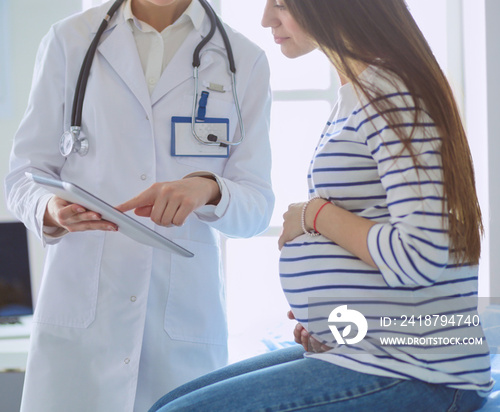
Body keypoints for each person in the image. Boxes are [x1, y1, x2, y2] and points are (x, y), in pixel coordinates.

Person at [148, 0, 494, 410]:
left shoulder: (393, 95)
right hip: (375, 350)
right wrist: (336, 325)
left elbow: (420, 255)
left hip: (420, 371)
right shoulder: (360, 93)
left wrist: (312, 215)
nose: (266, 19)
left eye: (280, 4)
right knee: (168, 403)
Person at [4, 0, 274, 410]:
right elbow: (23, 175)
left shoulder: (243, 60)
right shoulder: (70, 40)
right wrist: (50, 208)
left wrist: (208, 189)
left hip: (180, 325)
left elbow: (256, 206)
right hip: (82, 314)